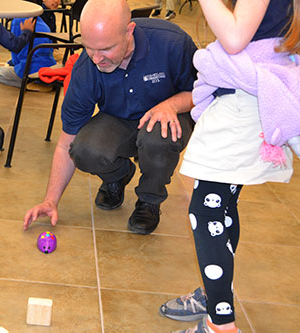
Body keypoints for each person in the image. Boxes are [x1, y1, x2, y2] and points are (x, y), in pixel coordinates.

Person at [159, 1, 300, 332]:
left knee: (206, 211)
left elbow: (234, 38)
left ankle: (220, 325)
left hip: (242, 103)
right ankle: (216, 298)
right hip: (252, 97)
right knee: (222, 207)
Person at [23, 0, 197, 234]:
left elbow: (205, 92)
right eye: (88, 48)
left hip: (169, 117)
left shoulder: (172, 42)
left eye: (106, 49)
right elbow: (66, 144)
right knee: (83, 150)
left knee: (157, 138)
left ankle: (149, 201)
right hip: (119, 119)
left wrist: (172, 105)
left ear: (129, 31)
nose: (97, 59)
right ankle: (119, 175)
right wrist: (50, 200)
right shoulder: (87, 67)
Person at [0, 0, 58, 88]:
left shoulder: (18, 20)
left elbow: (16, 48)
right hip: (49, 68)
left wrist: (14, 65)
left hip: (29, 70)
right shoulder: (41, 21)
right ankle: (43, 82)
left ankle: (31, 83)